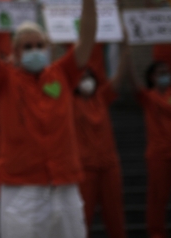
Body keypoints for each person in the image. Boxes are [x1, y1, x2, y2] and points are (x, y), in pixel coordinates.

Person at [0, 0, 98, 238]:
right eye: (26, 47)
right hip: (22, 189)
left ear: (49, 49)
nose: (34, 50)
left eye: (39, 45)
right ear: (15, 54)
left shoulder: (63, 74)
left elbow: (87, 39)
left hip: (65, 185)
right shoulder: (5, 78)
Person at [123, 45, 171, 237]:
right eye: (161, 73)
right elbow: (133, 82)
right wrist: (126, 55)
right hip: (159, 156)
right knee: (156, 202)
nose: (166, 75)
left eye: (167, 72)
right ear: (152, 77)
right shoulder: (148, 97)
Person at [72, 51, 126, 237]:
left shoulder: (101, 97)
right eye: (82, 77)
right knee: (82, 219)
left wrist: (125, 49)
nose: (86, 80)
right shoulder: (70, 101)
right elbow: (56, 81)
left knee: (116, 218)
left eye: (89, 76)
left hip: (109, 166)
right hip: (85, 168)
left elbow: (119, 78)